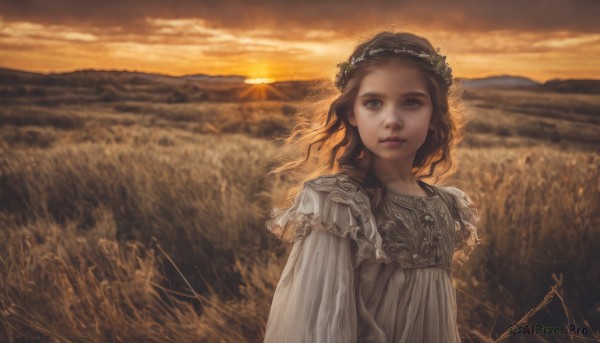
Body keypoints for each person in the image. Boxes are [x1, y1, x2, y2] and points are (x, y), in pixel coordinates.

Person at [263, 31, 481, 343]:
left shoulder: (447, 204)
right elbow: (319, 324)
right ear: (352, 112)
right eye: (374, 103)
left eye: (412, 103)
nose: (392, 119)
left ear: (435, 113)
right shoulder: (338, 204)